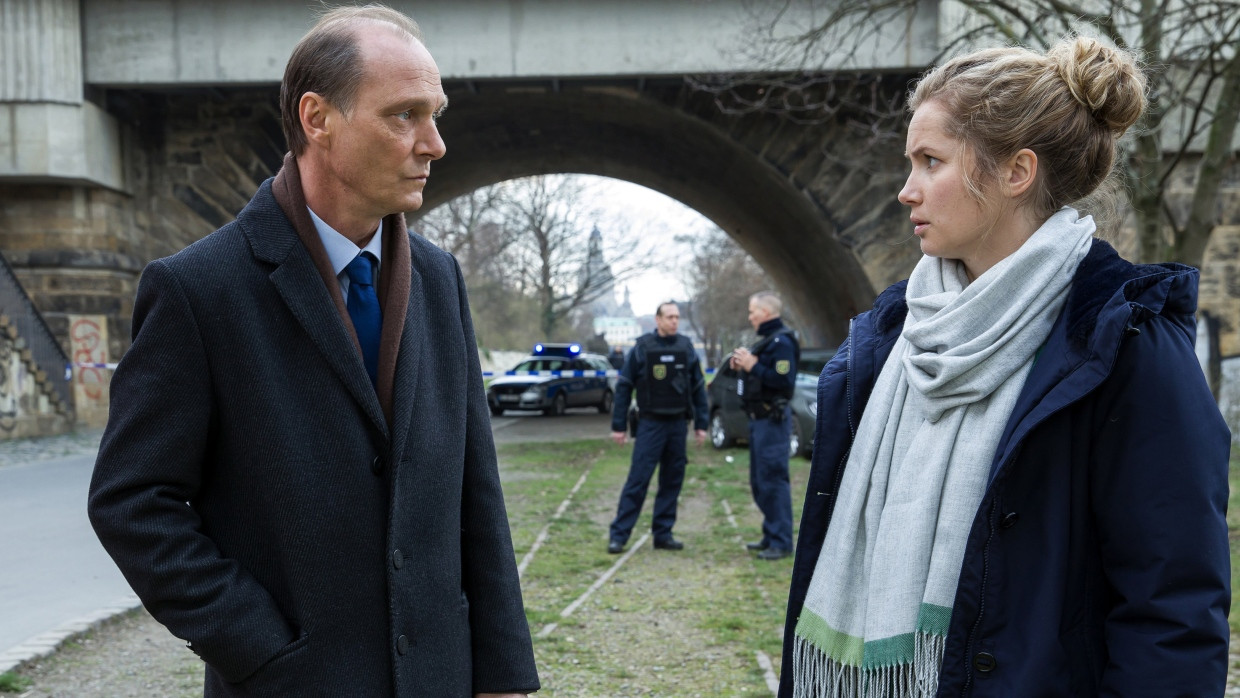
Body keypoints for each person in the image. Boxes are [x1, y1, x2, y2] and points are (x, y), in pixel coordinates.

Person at [87, 7, 538, 697]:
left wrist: (503, 674)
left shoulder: (440, 279)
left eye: (436, 113)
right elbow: (131, 502)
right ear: (317, 119)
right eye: (404, 115)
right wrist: (261, 648)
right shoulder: (198, 291)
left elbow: (476, 492)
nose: (436, 143)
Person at [781, 37, 1230, 697]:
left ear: (1016, 172)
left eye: (930, 162)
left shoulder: (1124, 346)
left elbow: (1173, 613)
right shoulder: (889, 341)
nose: (906, 191)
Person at [607, 301, 710, 553]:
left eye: (677, 317)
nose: (674, 321)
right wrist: (618, 425)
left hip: (677, 424)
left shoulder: (686, 347)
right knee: (638, 480)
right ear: (658, 319)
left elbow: (698, 387)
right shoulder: (642, 348)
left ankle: (663, 533)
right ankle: (619, 535)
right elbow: (624, 387)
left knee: (672, 481)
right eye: (669, 317)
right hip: (650, 424)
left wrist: (701, 424)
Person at [729, 291, 799, 561]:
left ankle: (781, 542)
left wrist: (753, 366)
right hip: (759, 422)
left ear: (767, 313)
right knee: (760, 482)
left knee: (772, 481)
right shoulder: (767, 342)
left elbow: (783, 381)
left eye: (753, 311)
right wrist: (745, 366)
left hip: (773, 421)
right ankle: (771, 535)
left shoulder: (781, 342)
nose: (750, 317)